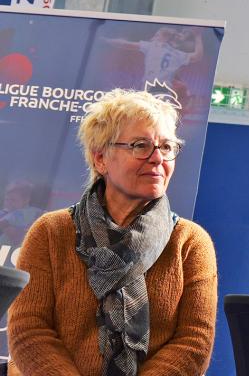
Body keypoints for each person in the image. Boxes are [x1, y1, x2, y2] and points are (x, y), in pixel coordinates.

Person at [7, 89, 217, 376]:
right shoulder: (51, 232)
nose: (158, 158)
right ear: (100, 159)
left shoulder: (190, 243)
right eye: (141, 145)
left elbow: (194, 342)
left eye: (167, 147)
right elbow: (28, 331)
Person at [0, 180, 42, 246]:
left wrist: (5, 226)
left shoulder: (28, 212)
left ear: (26, 200)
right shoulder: (6, 212)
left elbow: (4, 223)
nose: (8, 203)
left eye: (13, 200)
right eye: (7, 199)